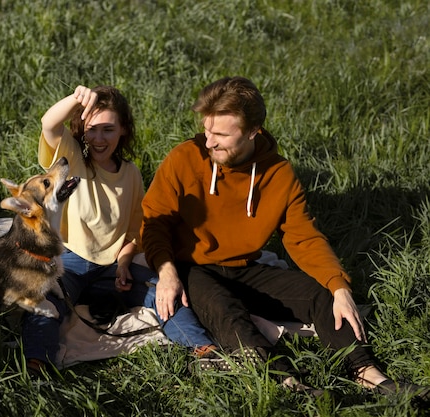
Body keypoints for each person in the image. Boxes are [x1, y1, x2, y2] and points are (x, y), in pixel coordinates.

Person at [140, 76, 429, 402]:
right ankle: (287, 383)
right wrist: (166, 273)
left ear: (252, 132)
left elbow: (303, 237)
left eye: (220, 134)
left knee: (323, 297)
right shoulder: (184, 158)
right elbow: (153, 222)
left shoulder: (278, 173)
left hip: (245, 267)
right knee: (226, 310)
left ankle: (369, 375)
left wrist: (339, 286)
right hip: (191, 267)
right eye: (207, 130)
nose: (208, 142)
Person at [21, 85, 215, 375]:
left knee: (162, 291)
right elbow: (49, 124)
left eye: (108, 130)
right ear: (82, 129)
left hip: (112, 268)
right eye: (92, 129)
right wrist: (76, 99)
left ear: (123, 129)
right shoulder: (72, 160)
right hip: (69, 262)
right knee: (45, 299)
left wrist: (125, 262)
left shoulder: (131, 174)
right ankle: (38, 363)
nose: (99, 139)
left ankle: (202, 349)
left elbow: (135, 230)